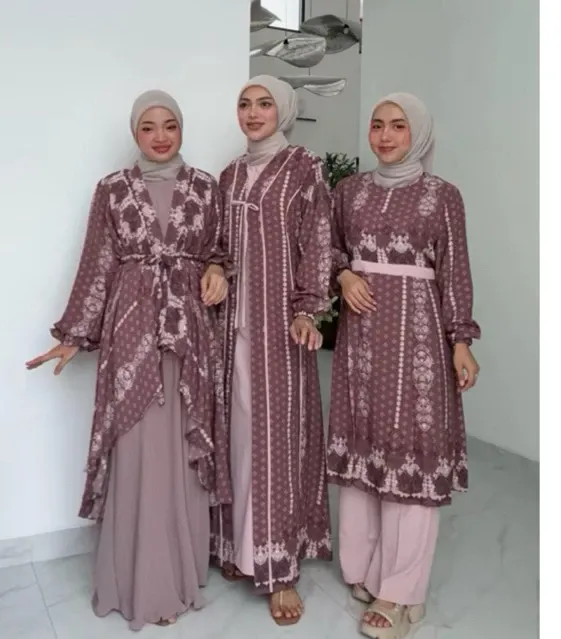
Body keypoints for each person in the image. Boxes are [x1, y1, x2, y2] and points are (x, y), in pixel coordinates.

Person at [25, 90, 232, 629]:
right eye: (148, 126)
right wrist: (74, 334)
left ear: (182, 129)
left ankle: (181, 571)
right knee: (139, 447)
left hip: (188, 335)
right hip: (132, 332)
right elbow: (97, 262)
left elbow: (220, 251)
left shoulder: (206, 187)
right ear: (134, 133)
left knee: (181, 444)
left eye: (170, 125)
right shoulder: (112, 189)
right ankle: (139, 578)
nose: (160, 136)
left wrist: (215, 270)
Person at [327, 93, 481, 639]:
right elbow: (329, 248)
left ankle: (400, 591)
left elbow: (455, 270)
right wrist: (345, 275)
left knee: (410, 451)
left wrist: (461, 340)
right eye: (377, 125)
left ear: (417, 134)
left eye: (398, 126)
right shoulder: (349, 191)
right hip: (361, 343)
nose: (386, 136)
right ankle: (365, 569)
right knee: (365, 446)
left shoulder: (443, 196)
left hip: (418, 344)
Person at [209, 75, 333, 625]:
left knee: (277, 442)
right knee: (237, 437)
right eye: (245, 104)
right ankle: (240, 547)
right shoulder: (230, 174)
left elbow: (319, 242)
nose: (253, 113)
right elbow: (216, 245)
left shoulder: (304, 167)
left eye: (264, 104)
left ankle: (279, 568)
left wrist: (307, 308)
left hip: (283, 328)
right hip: (230, 327)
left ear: (283, 111)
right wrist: (215, 267)